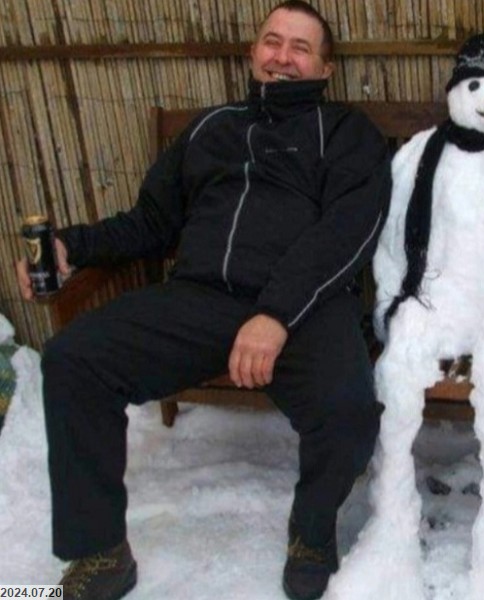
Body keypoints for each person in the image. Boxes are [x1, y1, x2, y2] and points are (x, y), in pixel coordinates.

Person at [16, 2, 391, 599]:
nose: (282, 57)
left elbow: (347, 233)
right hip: (197, 299)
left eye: (300, 47)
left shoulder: (348, 134)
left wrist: (274, 315)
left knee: (347, 410)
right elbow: (151, 222)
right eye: (272, 41)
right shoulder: (210, 129)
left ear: (325, 69)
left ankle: (312, 530)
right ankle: (101, 554)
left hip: (305, 309)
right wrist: (72, 246)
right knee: (73, 359)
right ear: (253, 52)